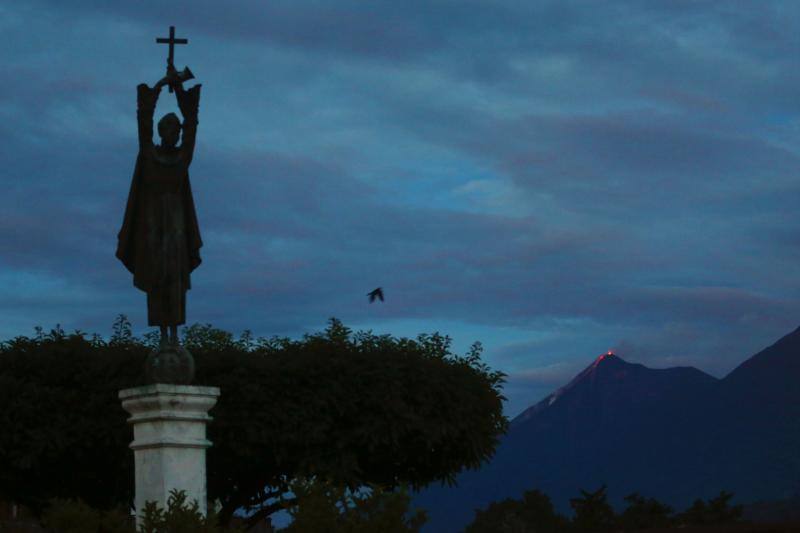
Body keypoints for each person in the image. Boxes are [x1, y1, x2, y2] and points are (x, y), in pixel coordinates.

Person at [116, 63, 203, 350]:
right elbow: (142, 121)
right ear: (161, 131)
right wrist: (160, 84)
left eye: (177, 130)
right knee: (157, 277)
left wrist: (178, 88)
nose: (176, 134)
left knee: (176, 279)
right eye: (171, 129)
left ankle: (175, 336)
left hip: (176, 224)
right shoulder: (149, 155)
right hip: (153, 224)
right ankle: (163, 337)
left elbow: (193, 125)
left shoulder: (182, 158)